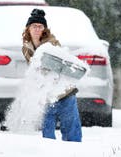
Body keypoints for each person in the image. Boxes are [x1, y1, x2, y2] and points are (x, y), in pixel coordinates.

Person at [22, 8, 82, 142]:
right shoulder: (27, 47)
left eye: (40, 26)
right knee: (47, 132)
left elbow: (57, 67)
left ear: (44, 29)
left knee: (71, 131)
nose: (37, 29)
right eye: (34, 26)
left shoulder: (52, 44)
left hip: (65, 93)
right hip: (46, 95)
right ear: (28, 29)